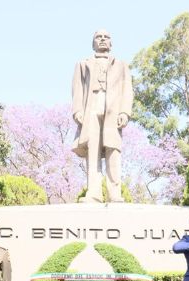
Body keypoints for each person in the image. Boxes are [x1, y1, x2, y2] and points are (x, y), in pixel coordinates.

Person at [72, 29, 133, 203]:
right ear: (93, 43)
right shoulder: (83, 64)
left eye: (106, 37)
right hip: (91, 107)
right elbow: (77, 89)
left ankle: (115, 193)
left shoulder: (121, 65)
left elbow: (127, 90)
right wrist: (77, 110)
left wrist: (125, 112)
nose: (103, 39)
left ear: (111, 43)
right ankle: (94, 192)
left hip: (113, 110)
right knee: (93, 151)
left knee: (113, 150)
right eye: (99, 37)